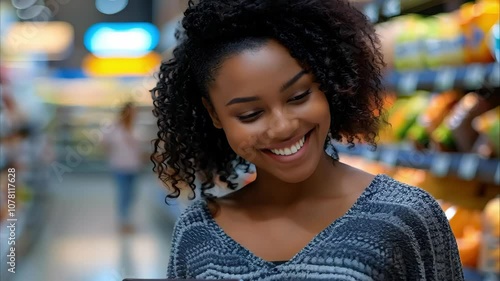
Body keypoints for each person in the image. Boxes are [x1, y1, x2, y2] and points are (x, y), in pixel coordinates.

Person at [150, 0, 464, 280]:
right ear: (214, 115)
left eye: (299, 96)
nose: (283, 126)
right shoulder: (197, 233)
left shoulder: (407, 217)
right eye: (250, 114)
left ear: (328, 84)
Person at [103, 102, 143, 234]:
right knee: (123, 194)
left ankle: (127, 220)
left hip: (134, 167)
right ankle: (123, 222)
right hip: (119, 167)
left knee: (132, 194)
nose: (134, 114)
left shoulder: (135, 127)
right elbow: (104, 143)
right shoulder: (114, 127)